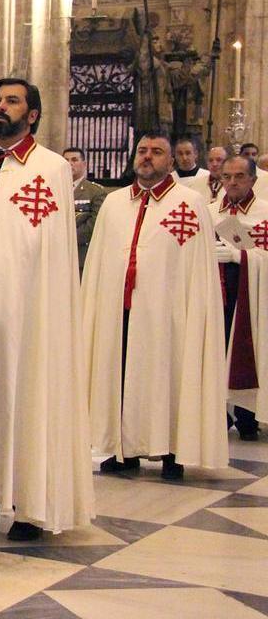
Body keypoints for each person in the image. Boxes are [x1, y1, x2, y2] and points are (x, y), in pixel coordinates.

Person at [0, 78, 93, 541]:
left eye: (11, 101)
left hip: (25, 311)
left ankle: (29, 503)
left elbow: (49, 249)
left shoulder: (50, 168)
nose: (0, 107)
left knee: (23, 395)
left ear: (32, 114)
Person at [82, 131, 226, 480]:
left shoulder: (189, 204)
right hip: (120, 308)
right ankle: (122, 449)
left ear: (171, 162)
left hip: (169, 311)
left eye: (157, 152)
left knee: (169, 374)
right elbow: (99, 259)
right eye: (143, 151)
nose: (147, 157)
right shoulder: (115, 203)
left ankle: (172, 449)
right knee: (118, 374)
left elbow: (198, 269)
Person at [211, 155, 266, 441]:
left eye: (239, 176)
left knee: (248, 351)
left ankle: (247, 416)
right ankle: (217, 414)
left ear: (253, 180)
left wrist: (240, 256)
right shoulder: (208, 212)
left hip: (250, 298)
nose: (232, 182)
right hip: (213, 296)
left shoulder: (265, 214)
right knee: (213, 354)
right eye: (226, 177)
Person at [64, 147, 108, 270]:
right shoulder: (54, 190)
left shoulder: (95, 191)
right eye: (66, 160)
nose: (70, 163)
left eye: (74, 160)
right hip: (58, 256)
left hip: (81, 256)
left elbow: (95, 224)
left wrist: (67, 238)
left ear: (84, 164)